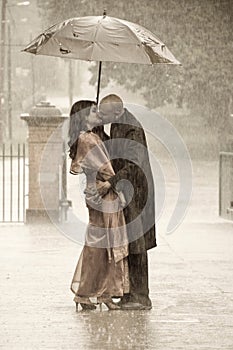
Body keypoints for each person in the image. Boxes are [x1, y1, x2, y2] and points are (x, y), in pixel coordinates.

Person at [68, 100, 129, 311]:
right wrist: (117, 185)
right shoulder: (88, 139)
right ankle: (90, 293)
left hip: (98, 194)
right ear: (84, 116)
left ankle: (100, 292)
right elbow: (105, 168)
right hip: (101, 195)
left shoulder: (92, 137)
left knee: (103, 243)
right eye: (94, 111)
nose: (98, 114)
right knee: (100, 244)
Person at [98, 94, 156, 310]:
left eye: (104, 113)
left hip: (137, 192)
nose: (101, 116)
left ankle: (141, 297)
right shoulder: (117, 124)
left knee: (137, 242)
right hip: (127, 190)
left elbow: (133, 163)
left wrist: (111, 182)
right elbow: (116, 152)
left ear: (116, 111)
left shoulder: (132, 128)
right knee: (129, 241)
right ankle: (130, 293)